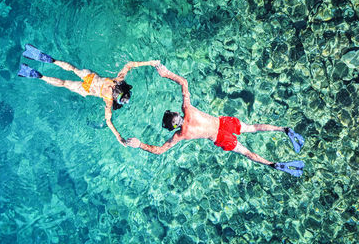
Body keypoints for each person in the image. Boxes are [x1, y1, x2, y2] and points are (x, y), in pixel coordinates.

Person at [126, 64, 305, 176]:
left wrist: (139, 144)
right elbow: (184, 82)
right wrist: (166, 74)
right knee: (253, 128)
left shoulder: (180, 135)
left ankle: (273, 164)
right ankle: (284, 130)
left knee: (247, 153)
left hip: (220, 137)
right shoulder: (187, 109)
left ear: (173, 127)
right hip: (224, 123)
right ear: (177, 115)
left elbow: (159, 150)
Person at [17, 44, 159, 146]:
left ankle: (50, 60)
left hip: (90, 77)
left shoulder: (117, 80)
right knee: (64, 83)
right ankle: (39, 76)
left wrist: (150, 62)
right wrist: (118, 136)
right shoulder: (108, 101)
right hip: (87, 89)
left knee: (73, 69)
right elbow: (108, 121)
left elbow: (129, 64)